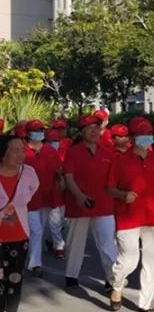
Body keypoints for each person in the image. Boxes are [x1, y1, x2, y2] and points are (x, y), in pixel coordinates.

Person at [105, 117, 154, 312]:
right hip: (128, 217)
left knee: (151, 261)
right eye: (142, 135)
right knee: (129, 259)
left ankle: (145, 302)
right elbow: (109, 188)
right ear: (132, 138)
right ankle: (117, 285)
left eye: (149, 134)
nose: (147, 138)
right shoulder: (120, 160)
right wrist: (123, 195)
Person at [61, 113, 117, 290]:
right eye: (89, 129)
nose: (93, 132)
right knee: (75, 241)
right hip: (80, 203)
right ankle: (71, 276)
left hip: (104, 203)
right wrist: (79, 196)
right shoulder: (73, 151)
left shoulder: (108, 152)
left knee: (108, 243)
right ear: (81, 132)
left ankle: (113, 279)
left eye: (96, 128)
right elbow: (68, 176)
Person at [0, 134, 40, 312]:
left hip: (18, 235)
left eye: (22, 150)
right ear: (3, 153)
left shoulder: (29, 173)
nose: (20, 154)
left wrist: (15, 205)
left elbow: (33, 189)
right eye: (14, 150)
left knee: (14, 279)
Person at [24, 120, 61, 277]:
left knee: (39, 229)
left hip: (46, 196)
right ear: (28, 133)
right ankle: (35, 264)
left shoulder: (49, 151)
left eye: (41, 130)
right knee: (36, 230)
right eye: (36, 130)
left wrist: (62, 180)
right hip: (28, 198)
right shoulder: (22, 150)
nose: (39, 132)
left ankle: (32, 259)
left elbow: (58, 169)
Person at [44, 127, 67, 258]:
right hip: (49, 192)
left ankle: (50, 239)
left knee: (62, 221)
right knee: (54, 220)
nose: (55, 142)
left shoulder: (64, 151)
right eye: (52, 140)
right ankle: (59, 246)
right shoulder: (42, 153)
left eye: (57, 140)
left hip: (63, 191)